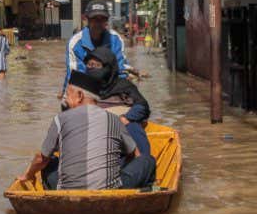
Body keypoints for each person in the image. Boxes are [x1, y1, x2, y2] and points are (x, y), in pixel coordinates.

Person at [19, 70, 156, 191]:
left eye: (68, 95)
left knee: (50, 160)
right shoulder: (114, 119)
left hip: (66, 191)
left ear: (79, 96)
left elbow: (40, 159)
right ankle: (145, 192)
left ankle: (53, 198)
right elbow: (135, 154)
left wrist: (28, 175)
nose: (65, 100)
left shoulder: (60, 119)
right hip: (110, 191)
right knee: (147, 159)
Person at [84, 45, 152, 157]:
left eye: (97, 65)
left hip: (123, 126)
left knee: (132, 127)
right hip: (95, 134)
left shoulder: (123, 86)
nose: (92, 69)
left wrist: (126, 117)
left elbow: (142, 106)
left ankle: (143, 161)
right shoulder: (83, 88)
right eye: (90, 65)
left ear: (108, 68)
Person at [60, 1, 130, 97]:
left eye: (102, 19)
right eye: (94, 19)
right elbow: (74, 76)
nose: (98, 23)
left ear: (107, 20)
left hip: (110, 88)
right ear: (86, 20)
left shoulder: (115, 39)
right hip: (84, 88)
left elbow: (121, 71)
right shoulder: (75, 43)